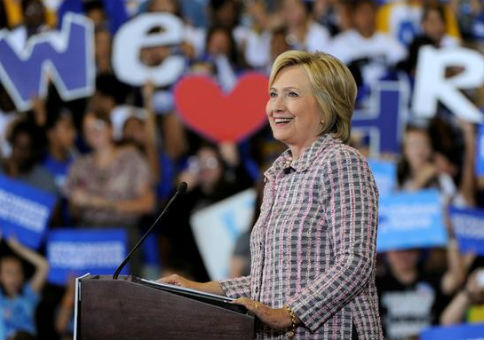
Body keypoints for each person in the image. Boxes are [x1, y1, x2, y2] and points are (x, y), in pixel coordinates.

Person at [159, 50, 383, 339]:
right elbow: (270, 282)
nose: (276, 106)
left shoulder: (341, 162)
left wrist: (290, 314)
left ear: (326, 106)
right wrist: (201, 288)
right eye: (273, 94)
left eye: (291, 94)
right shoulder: (279, 175)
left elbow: (355, 263)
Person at [0, 230, 49, 340]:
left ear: (23, 276)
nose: (14, 277)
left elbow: (44, 266)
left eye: (18, 272)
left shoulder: (29, 296)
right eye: (9, 272)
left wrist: (19, 248)